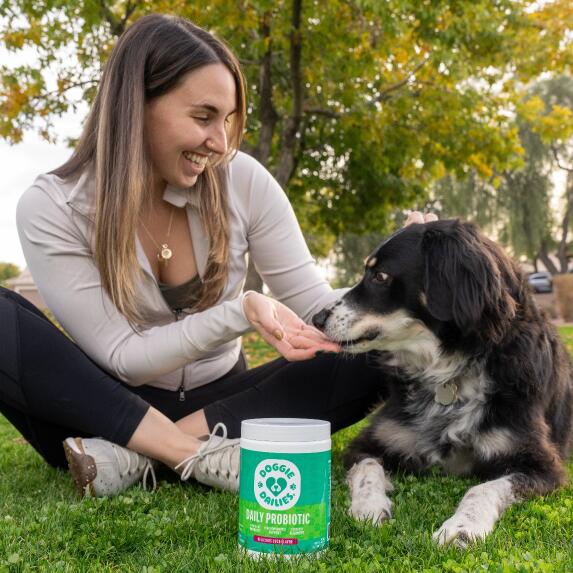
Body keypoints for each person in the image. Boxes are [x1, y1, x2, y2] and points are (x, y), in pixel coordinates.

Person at [2, 13, 435, 498]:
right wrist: (241, 312)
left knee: (369, 348)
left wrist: (395, 279)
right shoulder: (52, 207)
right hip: (107, 408)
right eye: (203, 117)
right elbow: (126, 360)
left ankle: (126, 460)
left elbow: (315, 304)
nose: (222, 142)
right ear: (135, 106)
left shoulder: (243, 180)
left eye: (228, 120)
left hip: (222, 405)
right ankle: (189, 455)